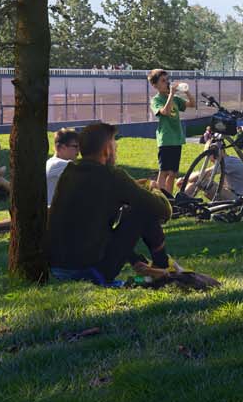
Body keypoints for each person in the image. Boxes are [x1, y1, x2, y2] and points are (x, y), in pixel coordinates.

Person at [47, 121, 178, 286]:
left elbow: (93, 227)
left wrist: (134, 259)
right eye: (115, 145)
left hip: (58, 268)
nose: (116, 149)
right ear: (106, 150)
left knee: (136, 207)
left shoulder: (70, 173)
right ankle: (161, 267)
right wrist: (154, 188)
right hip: (92, 272)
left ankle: (152, 271)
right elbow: (163, 210)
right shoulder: (111, 176)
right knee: (142, 209)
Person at [148, 68, 187, 195]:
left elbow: (192, 104)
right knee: (164, 171)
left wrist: (187, 92)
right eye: (163, 81)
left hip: (177, 139)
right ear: (155, 85)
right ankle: (160, 198)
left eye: (167, 80)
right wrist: (171, 95)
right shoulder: (156, 100)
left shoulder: (175, 98)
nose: (167, 83)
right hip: (165, 139)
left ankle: (169, 199)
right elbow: (164, 112)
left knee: (173, 173)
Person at [45, 127, 80, 208]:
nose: (79, 151)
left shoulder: (50, 162)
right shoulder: (59, 164)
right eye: (75, 146)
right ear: (61, 147)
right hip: (54, 216)